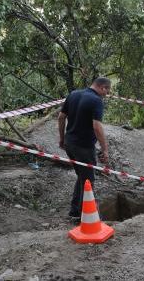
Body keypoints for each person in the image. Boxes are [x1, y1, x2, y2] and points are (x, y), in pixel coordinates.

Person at [58, 77, 112, 221]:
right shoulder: (96, 101)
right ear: (103, 88)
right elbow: (97, 126)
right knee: (88, 181)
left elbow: (61, 117)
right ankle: (87, 217)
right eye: (107, 92)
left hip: (70, 143)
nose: (106, 95)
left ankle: (75, 211)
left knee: (82, 176)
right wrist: (105, 149)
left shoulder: (73, 94)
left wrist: (62, 138)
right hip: (84, 147)